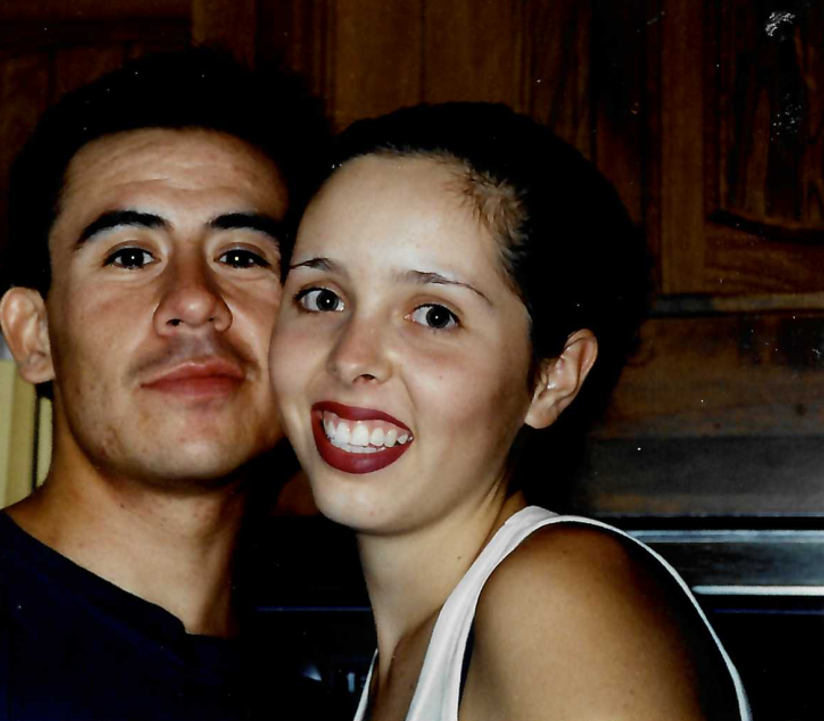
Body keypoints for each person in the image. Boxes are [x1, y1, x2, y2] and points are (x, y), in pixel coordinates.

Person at [0, 49, 330, 720]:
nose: (196, 300)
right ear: (35, 336)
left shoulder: (314, 708)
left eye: (241, 255)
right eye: (130, 256)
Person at [269, 102, 751, 721]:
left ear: (553, 378)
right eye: (322, 297)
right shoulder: (405, 659)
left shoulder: (557, 600)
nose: (350, 356)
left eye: (434, 314)